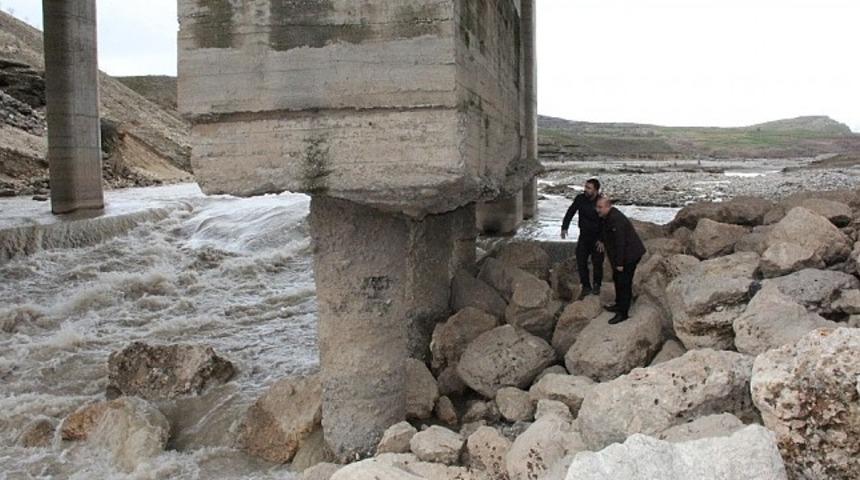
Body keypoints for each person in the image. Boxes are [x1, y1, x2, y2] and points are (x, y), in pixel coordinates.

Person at [596, 196, 646, 324]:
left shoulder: (616, 219)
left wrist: (619, 263)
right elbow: (604, 230)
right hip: (622, 254)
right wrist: (601, 240)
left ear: (608, 207)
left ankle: (623, 313)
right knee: (617, 279)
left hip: (630, 255)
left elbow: (620, 242)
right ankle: (618, 304)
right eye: (597, 207)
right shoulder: (607, 217)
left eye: (600, 207)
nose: (598, 210)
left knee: (624, 282)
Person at [561, 178, 604, 300]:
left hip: (597, 238)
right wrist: (564, 227)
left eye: (589, 188)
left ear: (596, 190)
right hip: (584, 236)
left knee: (597, 263)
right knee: (581, 261)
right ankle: (586, 286)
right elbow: (571, 211)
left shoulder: (601, 202)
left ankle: (597, 285)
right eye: (585, 187)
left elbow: (606, 222)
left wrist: (602, 240)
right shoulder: (580, 199)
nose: (585, 190)